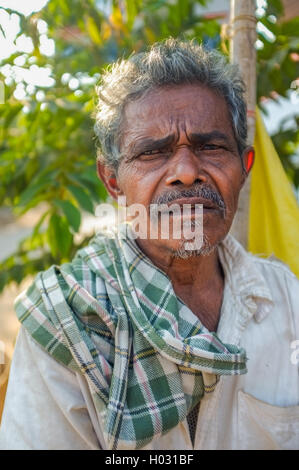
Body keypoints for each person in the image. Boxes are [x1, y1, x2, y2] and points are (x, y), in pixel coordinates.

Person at [0, 38, 298, 450]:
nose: (187, 172)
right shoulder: (65, 322)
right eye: (153, 152)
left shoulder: (288, 301)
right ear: (112, 181)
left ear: (244, 168)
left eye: (210, 146)